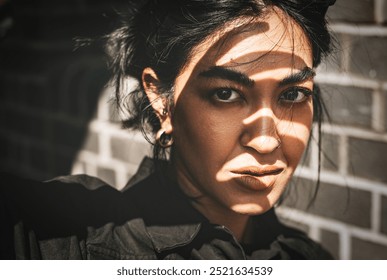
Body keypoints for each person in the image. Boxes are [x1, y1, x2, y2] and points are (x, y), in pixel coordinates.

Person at [0, 0, 336, 259]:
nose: (265, 141)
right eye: (225, 93)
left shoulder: (311, 261)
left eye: (292, 94)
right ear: (161, 99)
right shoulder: (70, 246)